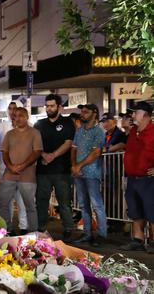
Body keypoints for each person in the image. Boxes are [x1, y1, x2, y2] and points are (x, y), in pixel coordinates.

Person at [34, 94, 75, 240]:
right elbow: (35, 144)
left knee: (64, 201)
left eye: (52, 106)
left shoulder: (67, 122)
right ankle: (41, 228)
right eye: (47, 106)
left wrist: (53, 155)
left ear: (59, 107)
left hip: (61, 170)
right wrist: (44, 154)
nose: (49, 108)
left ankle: (69, 228)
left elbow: (68, 143)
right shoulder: (39, 124)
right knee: (41, 200)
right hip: (43, 170)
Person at [0, 107, 42, 233]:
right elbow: (4, 152)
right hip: (9, 175)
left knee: (30, 206)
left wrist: (23, 165)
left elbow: (37, 152)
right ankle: (5, 230)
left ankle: (33, 233)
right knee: (3, 204)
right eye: (16, 116)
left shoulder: (35, 133)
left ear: (27, 116)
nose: (18, 118)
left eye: (21, 115)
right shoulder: (9, 134)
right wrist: (10, 166)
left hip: (27, 176)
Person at [71, 103, 107, 247]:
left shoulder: (98, 131)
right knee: (84, 205)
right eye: (82, 111)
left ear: (94, 113)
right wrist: (74, 166)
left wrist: (78, 166)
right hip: (79, 173)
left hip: (92, 173)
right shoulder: (79, 131)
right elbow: (73, 148)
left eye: (86, 111)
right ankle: (87, 233)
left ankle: (101, 235)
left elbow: (96, 153)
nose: (83, 113)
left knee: (96, 205)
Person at [120, 101, 154, 252]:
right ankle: (138, 240)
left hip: (148, 179)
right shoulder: (134, 131)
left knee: (151, 210)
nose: (133, 115)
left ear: (145, 114)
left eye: (135, 112)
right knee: (135, 211)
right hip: (133, 178)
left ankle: (152, 242)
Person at [0, 102, 28, 233]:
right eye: (9, 108)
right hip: (6, 169)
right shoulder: (2, 127)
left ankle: (24, 227)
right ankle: (6, 228)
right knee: (6, 201)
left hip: (23, 171)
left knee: (22, 201)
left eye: (15, 109)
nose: (12, 111)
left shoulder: (29, 127)